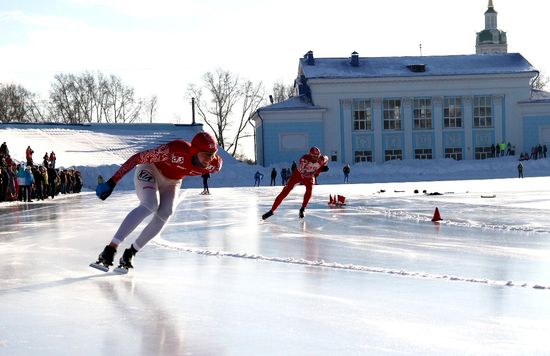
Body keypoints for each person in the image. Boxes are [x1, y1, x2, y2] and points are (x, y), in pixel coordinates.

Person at [91, 132, 223, 272]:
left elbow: (214, 161)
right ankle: (110, 249)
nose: (211, 158)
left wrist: (210, 157)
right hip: (151, 170)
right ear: (195, 151)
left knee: (166, 212)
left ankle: (131, 253)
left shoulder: (214, 165)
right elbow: (137, 158)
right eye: (207, 154)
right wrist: (112, 182)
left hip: (172, 181)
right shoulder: (175, 150)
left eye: (213, 153)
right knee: (150, 204)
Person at [262, 146, 329, 220]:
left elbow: (326, 159)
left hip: (309, 176)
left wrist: (323, 167)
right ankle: (272, 210)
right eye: (314, 156)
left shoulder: (322, 159)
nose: (316, 158)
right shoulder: (305, 159)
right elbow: (303, 173)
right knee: (286, 190)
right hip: (298, 175)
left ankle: (303, 208)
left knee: (309, 189)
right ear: (310, 155)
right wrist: (318, 171)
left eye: (317, 156)